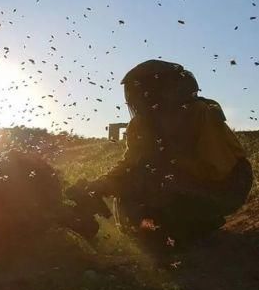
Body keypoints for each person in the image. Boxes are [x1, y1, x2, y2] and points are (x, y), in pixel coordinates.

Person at [68, 59, 253, 248]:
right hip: (180, 184)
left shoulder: (201, 113)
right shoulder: (140, 125)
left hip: (226, 187)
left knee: (149, 179)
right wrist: (100, 185)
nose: (136, 97)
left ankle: (201, 223)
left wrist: (167, 172)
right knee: (140, 222)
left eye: (140, 89)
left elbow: (219, 169)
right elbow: (130, 164)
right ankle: (158, 228)